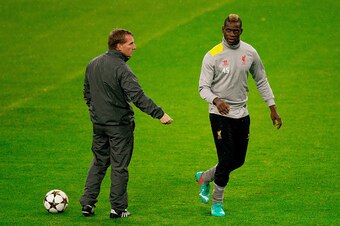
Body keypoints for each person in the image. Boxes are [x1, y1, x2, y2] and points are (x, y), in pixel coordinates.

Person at [80, 29, 173, 219]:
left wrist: (96, 112)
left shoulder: (92, 64)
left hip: (99, 125)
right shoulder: (121, 69)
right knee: (119, 166)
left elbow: (87, 94)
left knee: (99, 162)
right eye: (130, 43)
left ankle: (87, 203)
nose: (135, 47)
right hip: (119, 126)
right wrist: (159, 114)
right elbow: (137, 96)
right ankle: (118, 208)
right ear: (118, 46)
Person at [196, 14, 282, 217]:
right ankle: (217, 203)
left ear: (241, 31)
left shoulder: (250, 52)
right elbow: (203, 88)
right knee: (226, 158)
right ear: (222, 30)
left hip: (242, 114)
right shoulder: (213, 55)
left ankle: (204, 177)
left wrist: (272, 107)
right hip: (219, 115)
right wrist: (217, 100)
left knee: (238, 160)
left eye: (236, 31)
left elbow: (261, 79)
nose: (232, 34)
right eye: (229, 30)